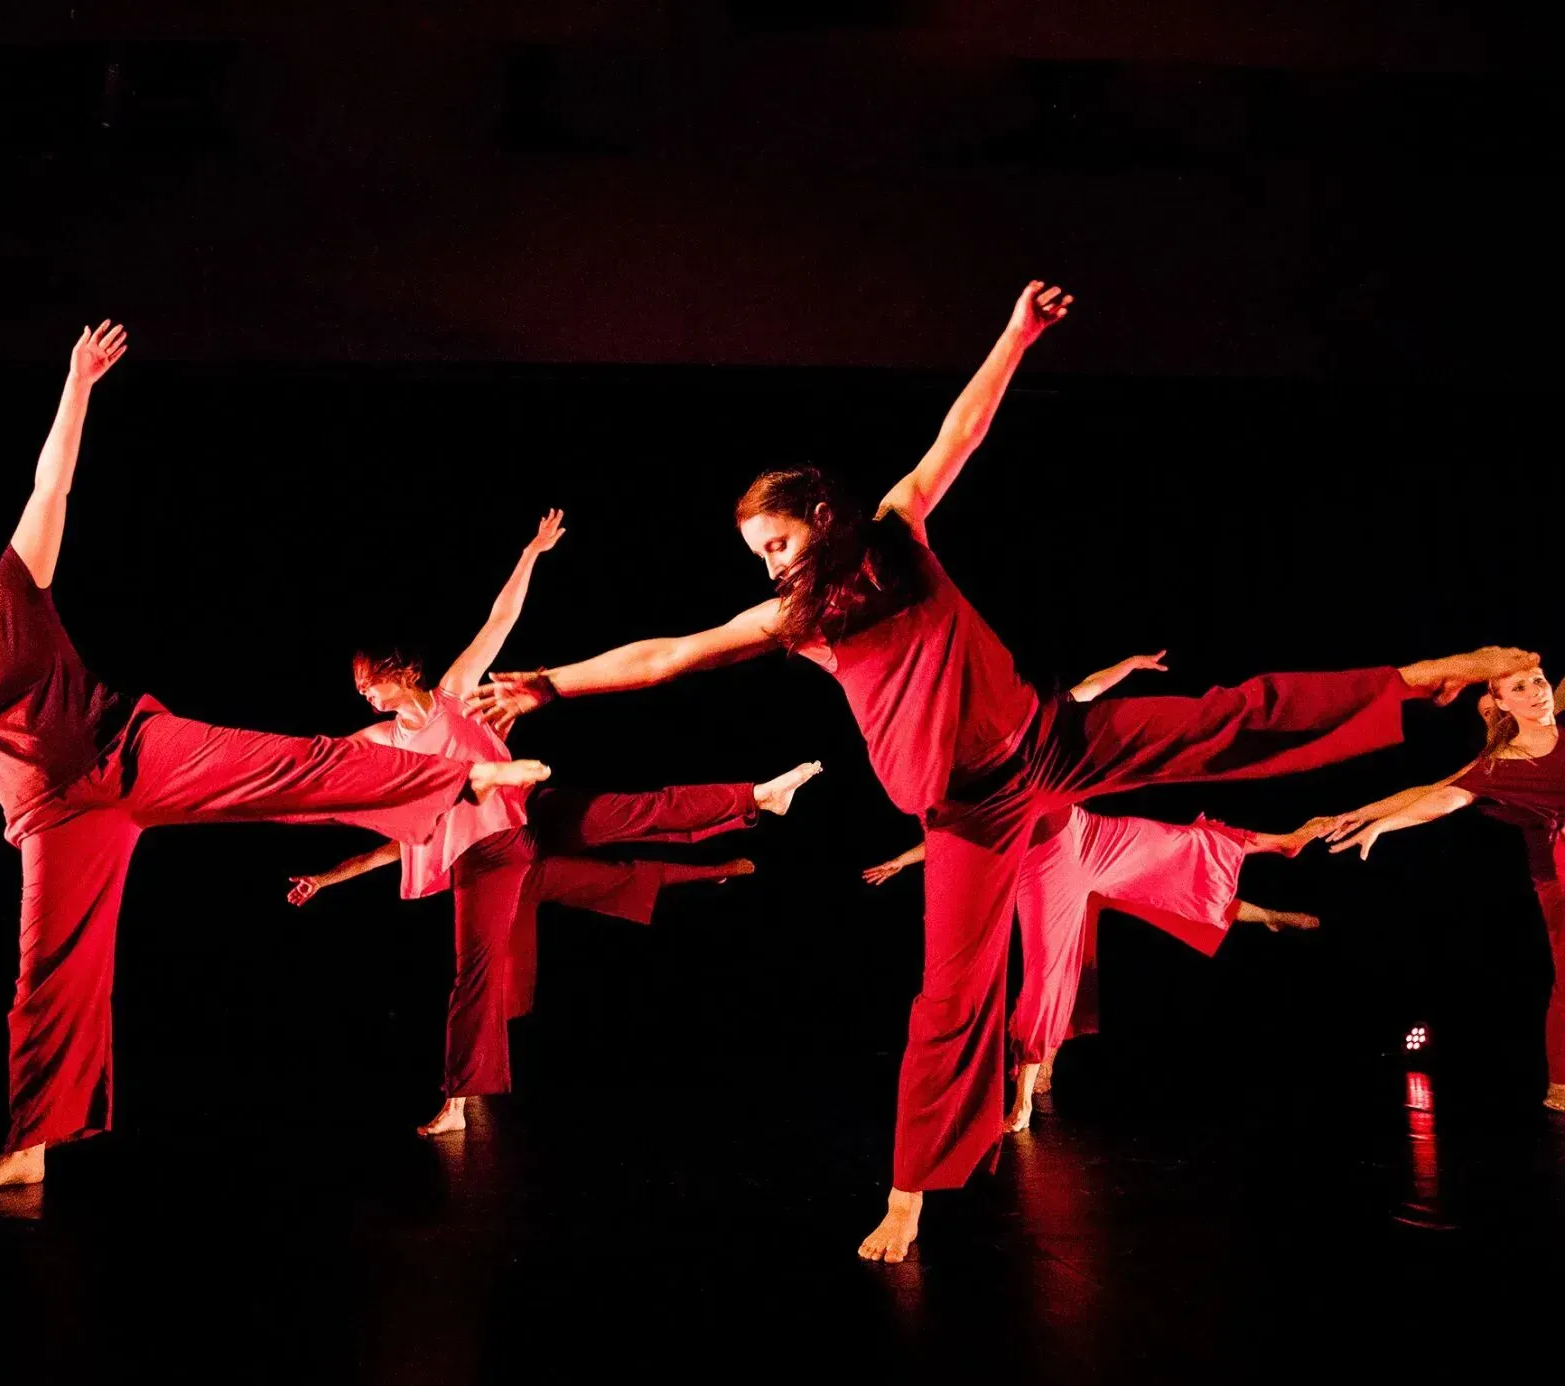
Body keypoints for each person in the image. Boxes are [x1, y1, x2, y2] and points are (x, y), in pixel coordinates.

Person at [465, 279, 1539, 1260]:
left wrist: (1017, 333)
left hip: (1049, 744)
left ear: (822, 515)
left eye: (778, 542)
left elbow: (960, 431)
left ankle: (1426, 678)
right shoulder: (792, 622)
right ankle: (911, 1193)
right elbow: (665, 655)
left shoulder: (895, 530)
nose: (770, 563)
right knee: (951, 992)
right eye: (758, 554)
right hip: (966, 814)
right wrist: (550, 681)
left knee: (1232, 718)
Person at [0, 322, 548, 1190]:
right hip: (57, 816)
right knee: (47, 975)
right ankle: (31, 1147)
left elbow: (49, 485)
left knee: (290, 761)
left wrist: (79, 383)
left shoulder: (13, 592)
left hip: (133, 750)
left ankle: (462, 773)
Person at [286, 510, 821, 1134]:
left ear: (399, 671)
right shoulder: (382, 739)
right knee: (473, 974)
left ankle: (757, 795)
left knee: (638, 809)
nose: (363, 695)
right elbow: (320, 765)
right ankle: (459, 1101)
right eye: (358, 689)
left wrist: (532, 552)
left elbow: (500, 619)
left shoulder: (457, 692)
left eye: (367, 682)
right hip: (481, 859)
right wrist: (316, 868)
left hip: (530, 815)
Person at [864, 651, 1329, 1133]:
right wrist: (901, 860)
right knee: (1048, 977)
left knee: (1180, 848)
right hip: (1044, 870)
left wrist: (1130, 664)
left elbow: (1090, 687)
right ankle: (1023, 1100)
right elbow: (953, 836)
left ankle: (1283, 845)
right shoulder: (965, 771)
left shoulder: (1037, 720)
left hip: (1087, 834)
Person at [1327, 664, 1561, 1112]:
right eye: (1519, 687)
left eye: (1539, 681)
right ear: (1502, 706)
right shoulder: (1499, 766)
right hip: (1557, 877)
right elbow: (1440, 796)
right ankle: (1561, 1087)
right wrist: (1378, 821)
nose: (1535, 691)